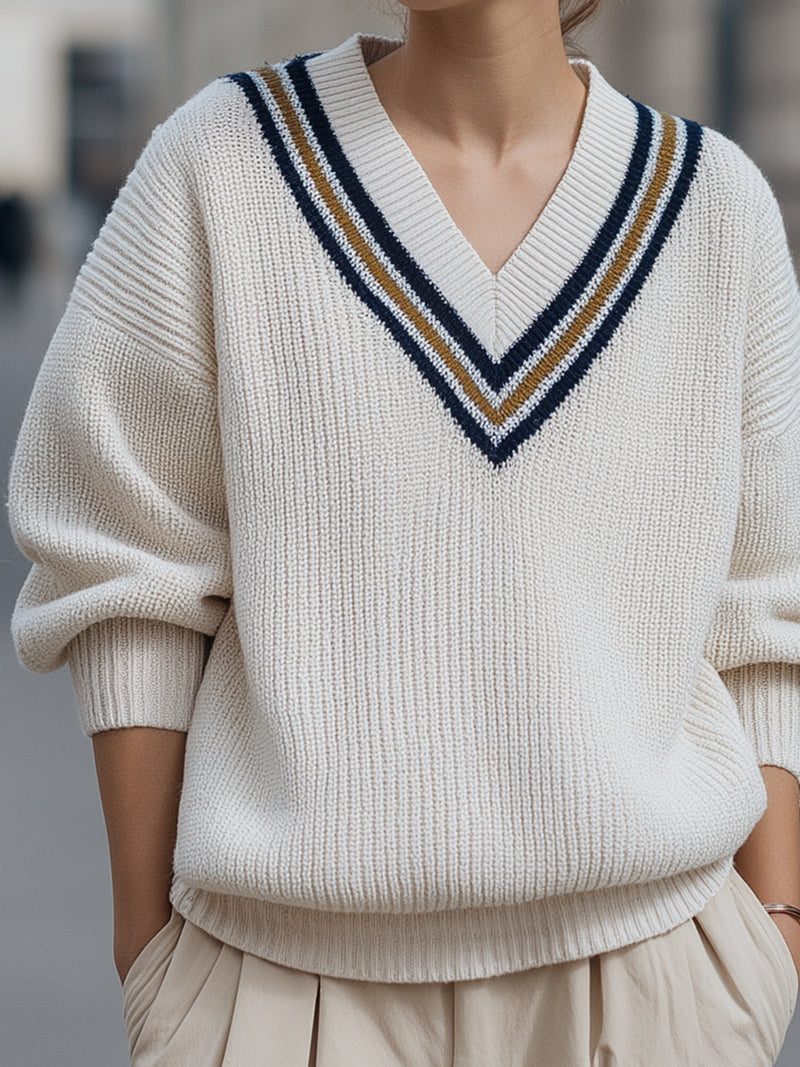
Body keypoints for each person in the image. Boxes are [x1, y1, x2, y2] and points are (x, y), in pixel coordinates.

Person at [8, 0, 800, 1063]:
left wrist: (774, 930)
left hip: (652, 987)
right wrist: (151, 955)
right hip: (284, 988)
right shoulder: (223, 163)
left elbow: (764, 600)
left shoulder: (713, 208)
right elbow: (123, 554)